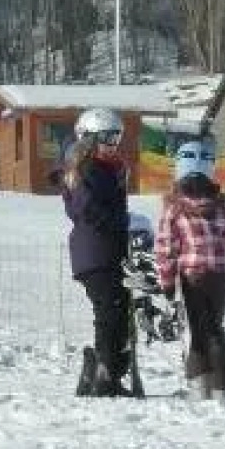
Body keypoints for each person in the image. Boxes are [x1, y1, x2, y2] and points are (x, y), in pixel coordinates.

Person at [153, 138, 225, 403]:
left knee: (202, 332)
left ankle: (204, 390)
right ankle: (219, 389)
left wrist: (166, 281)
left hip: (194, 277)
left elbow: (166, 247)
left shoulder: (175, 208)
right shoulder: (222, 205)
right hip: (220, 278)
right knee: (214, 329)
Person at [62, 106, 134, 397]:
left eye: (117, 138)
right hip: (95, 251)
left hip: (107, 251)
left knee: (118, 310)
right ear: (89, 138)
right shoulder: (84, 169)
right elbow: (86, 208)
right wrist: (121, 222)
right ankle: (105, 374)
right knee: (110, 310)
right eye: (107, 138)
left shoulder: (104, 169)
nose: (113, 145)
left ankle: (106, 372)